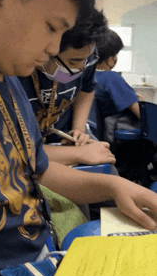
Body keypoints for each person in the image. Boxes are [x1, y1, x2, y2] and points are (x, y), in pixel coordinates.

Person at [0, 0, 157, 276]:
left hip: (41, 257)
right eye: (52, 27)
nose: (54, 48)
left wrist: (114, 186)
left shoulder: (7, 72)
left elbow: (37, 168)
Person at [19, 9, 116, 167]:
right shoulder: (14, 72)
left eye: (85, 60)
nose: (81, 68)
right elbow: (13, 151)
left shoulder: (85, 53)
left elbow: (87, 88)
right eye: (72, 62)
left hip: (62, 137)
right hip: (26, 148)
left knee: (106, 163)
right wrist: (78, 154)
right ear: (46, 49)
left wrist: (78, 129)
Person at [94, 29, 156, 183]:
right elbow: (145, 117)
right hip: (123, 148)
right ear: (110, 58)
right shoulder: (111, 78)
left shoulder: (89, 78)